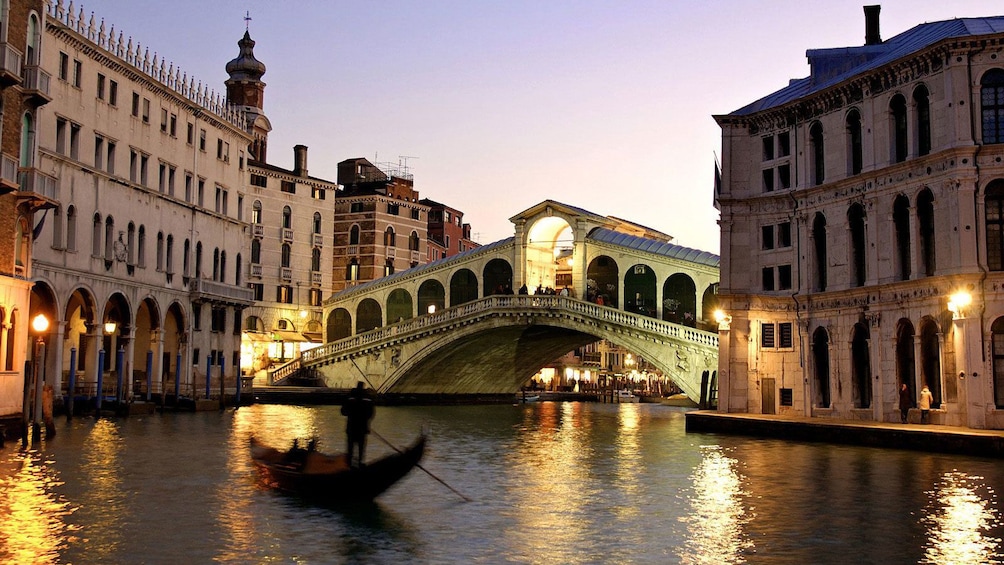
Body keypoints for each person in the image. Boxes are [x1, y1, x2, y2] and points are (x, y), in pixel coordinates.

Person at [341, 381, 375, 466]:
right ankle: (360, 463)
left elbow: (343, 412)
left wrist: (351, 413)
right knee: (361, 449)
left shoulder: (350, 397)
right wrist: (366, 420)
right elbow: (371, 413)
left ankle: (349, 465)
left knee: (350, 449)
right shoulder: (367, 399)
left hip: (351, 427)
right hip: (362, 428)